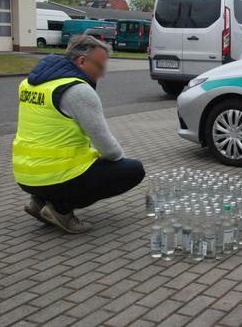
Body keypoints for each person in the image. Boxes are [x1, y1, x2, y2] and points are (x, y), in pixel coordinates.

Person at [13, 35, 145, 234]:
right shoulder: (77, 90)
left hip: (25, 175)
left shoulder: (28, 83)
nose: (102, 74)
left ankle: (38, 202)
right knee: (132, 170)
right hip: (55, 176)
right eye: (100, 67)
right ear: (82, 61)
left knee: (88, 164)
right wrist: (111, 159)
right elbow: (108, 148)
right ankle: (61, 211)